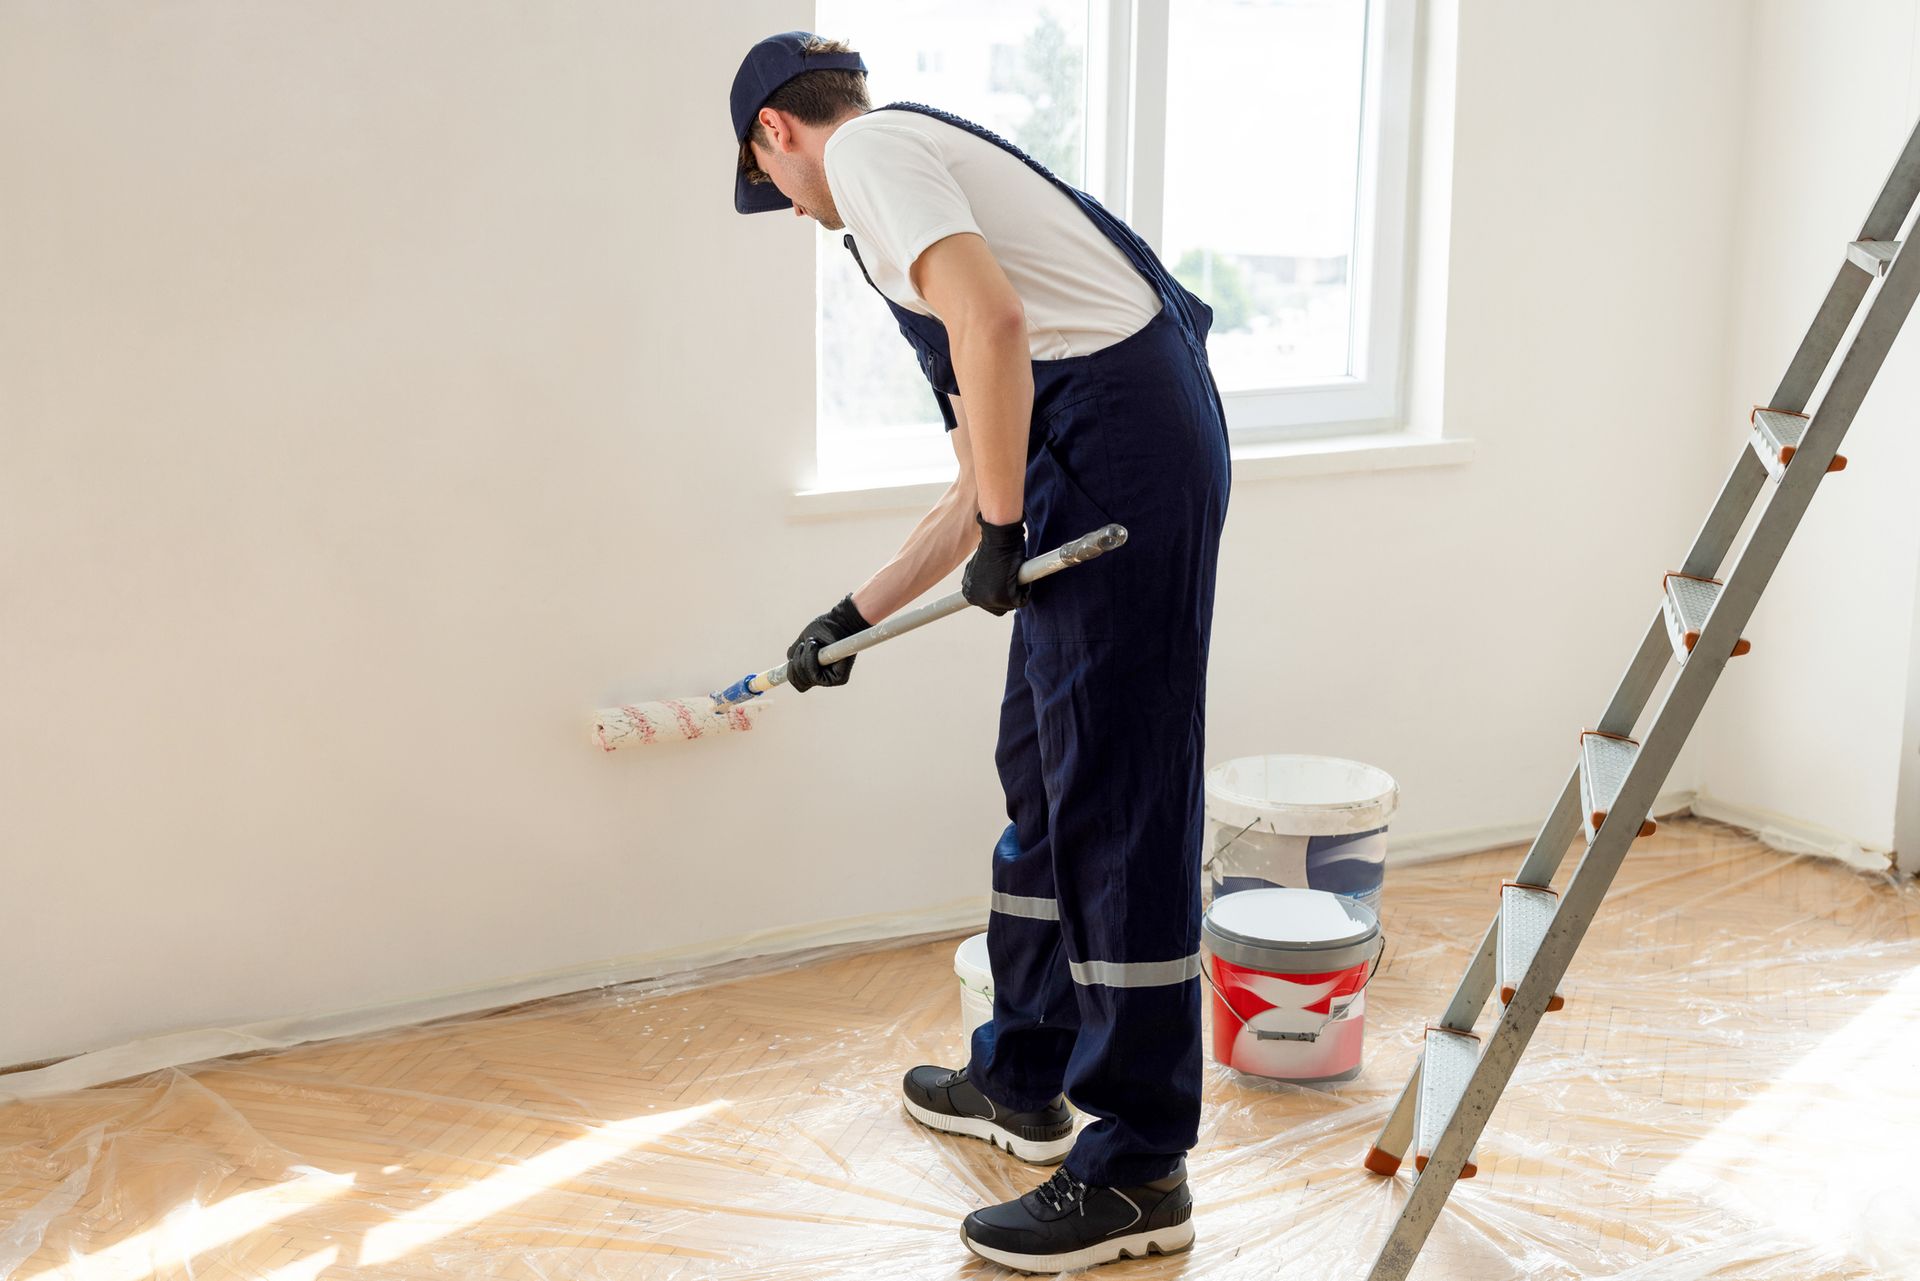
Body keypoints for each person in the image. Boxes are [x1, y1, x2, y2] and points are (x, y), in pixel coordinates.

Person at [729, 30, 1230, 1273]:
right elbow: (974, 476)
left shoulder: (878, 155)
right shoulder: (902, 190)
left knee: (1119, 795)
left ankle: (1138, 1167)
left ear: (775, 135)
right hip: (1086, 446)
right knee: (1046, 778)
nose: (790, 208)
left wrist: (1008, 527)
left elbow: (996, 330)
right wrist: (856, 613)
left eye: (769, 182)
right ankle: (1024, 1073)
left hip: (1123, 449)